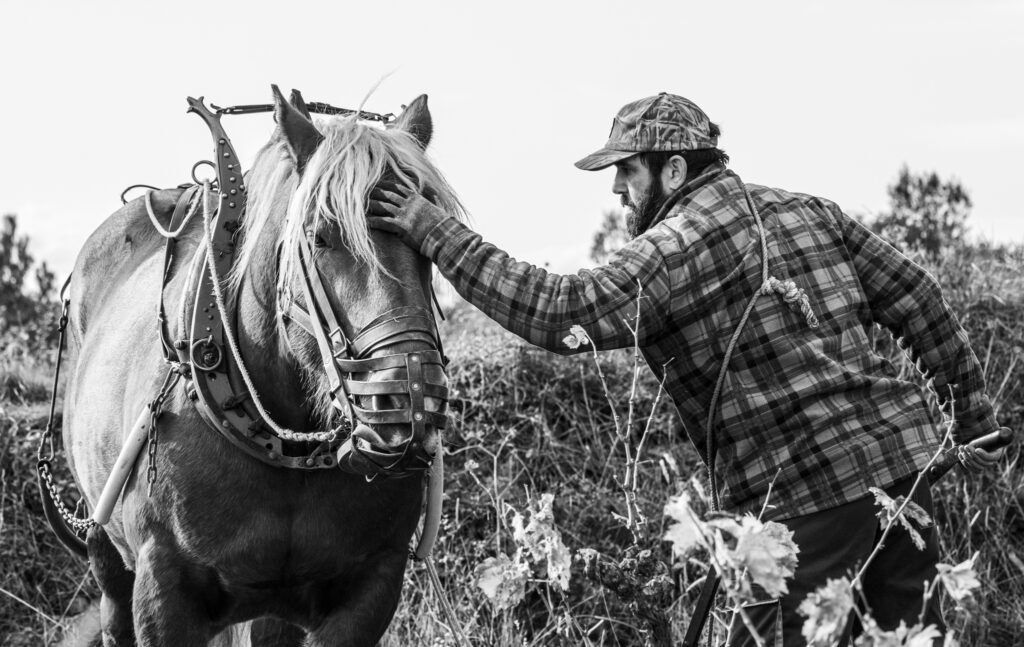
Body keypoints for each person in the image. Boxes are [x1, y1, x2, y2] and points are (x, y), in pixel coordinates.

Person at [367, 93, 1003, 646]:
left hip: (804, 504)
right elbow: (918, 294)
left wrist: (435, 232)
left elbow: (562, 313)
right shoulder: (813, 210)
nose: (617, 189)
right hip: (904, 483)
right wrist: (972, 418)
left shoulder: (675, 247)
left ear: (673, 169)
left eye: (626, 172)